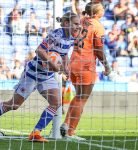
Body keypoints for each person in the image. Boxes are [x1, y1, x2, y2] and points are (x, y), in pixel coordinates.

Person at [0, 12, 81, 142]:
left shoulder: (72, 38)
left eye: (79, 24)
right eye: (76, 24)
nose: (79, 26)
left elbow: (64, 54)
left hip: (47, 76)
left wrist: (66, 67)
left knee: (56, 103)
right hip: (33, 73)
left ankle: (36, 133)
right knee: (14, 105)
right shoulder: (55, 35)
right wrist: (52, 64)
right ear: (67, 23)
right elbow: (39, 50)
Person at [60, 2, 111, 141]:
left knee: (78, 97)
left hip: (74, 62)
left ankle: (65, 124)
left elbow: (78, 12)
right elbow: (99, 50)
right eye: (102, 9)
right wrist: (106, 65)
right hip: (86, 65)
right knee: (82, 99)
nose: (104, 10)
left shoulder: (81, 20)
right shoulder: (98, 27)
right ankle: (70, 132)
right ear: (96, 13)